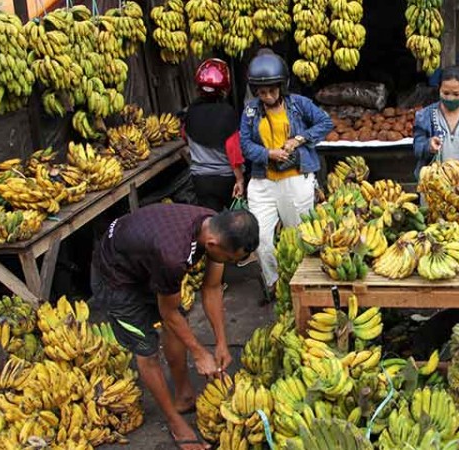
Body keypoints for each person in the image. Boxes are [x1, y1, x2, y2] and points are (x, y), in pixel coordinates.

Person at [91, 204, 259, 450]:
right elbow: (167, 312)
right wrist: (199, 353)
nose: (231, 263)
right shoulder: (173, 255)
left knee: (178, 325)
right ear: (212, 245)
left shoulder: (214, 227)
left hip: (145, 259)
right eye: (230, 259)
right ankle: (175, 422)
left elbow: (212, 287)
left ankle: (184, 395)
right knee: (147, 349)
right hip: (117, 277)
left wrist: (221, 342)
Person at [240, 51, 333, 300]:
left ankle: (303, 287)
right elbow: (245, 145)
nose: (267, 96)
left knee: (298, 235)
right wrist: (268, 153)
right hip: (263, 181)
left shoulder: (299, 104)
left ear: (282, 86)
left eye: (272, 90)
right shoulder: (250, 112)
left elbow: (325, 122)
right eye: (261, 92)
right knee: (260, 238)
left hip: (296, 179)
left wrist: (298, 140)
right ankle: (274, 285)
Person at [183, 58, 247, 211]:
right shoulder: (227, 113)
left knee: (212, 220)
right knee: (232, 222)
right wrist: (240, 179)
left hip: (200, 179)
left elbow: (185, 137)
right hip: (226, 179)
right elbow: (234, 152)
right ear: (224, 89)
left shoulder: (190, 112)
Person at [413, 66, 459, 195]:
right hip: (433, 189)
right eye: (445, 93)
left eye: (456, 94)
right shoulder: (424, 116)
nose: (450, 98)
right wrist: (428, 146)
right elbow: (417, 148)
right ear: (439, 90)